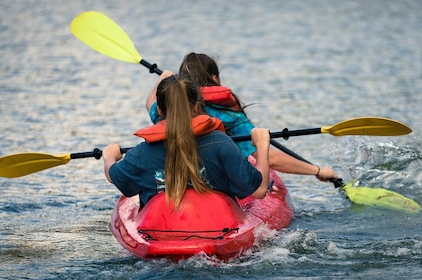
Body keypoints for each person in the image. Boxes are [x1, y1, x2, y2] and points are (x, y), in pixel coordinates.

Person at [144, 53, 339, 182]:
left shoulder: (168, 111)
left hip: (175, 180)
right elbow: (270, 159)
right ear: (214, 78)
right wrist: (318, 171)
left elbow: (150, 101)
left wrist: (165, 76)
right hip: (219, 182)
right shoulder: (229, 116)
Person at [103, 75, 271, 209]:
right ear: (196, 107)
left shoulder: (142, 153)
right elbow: (260, 190)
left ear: (159, 110)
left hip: (161, 230)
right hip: (215, 228)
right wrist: (262, 146)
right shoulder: (221, 144)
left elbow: (113, 175)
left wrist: (109, 157)